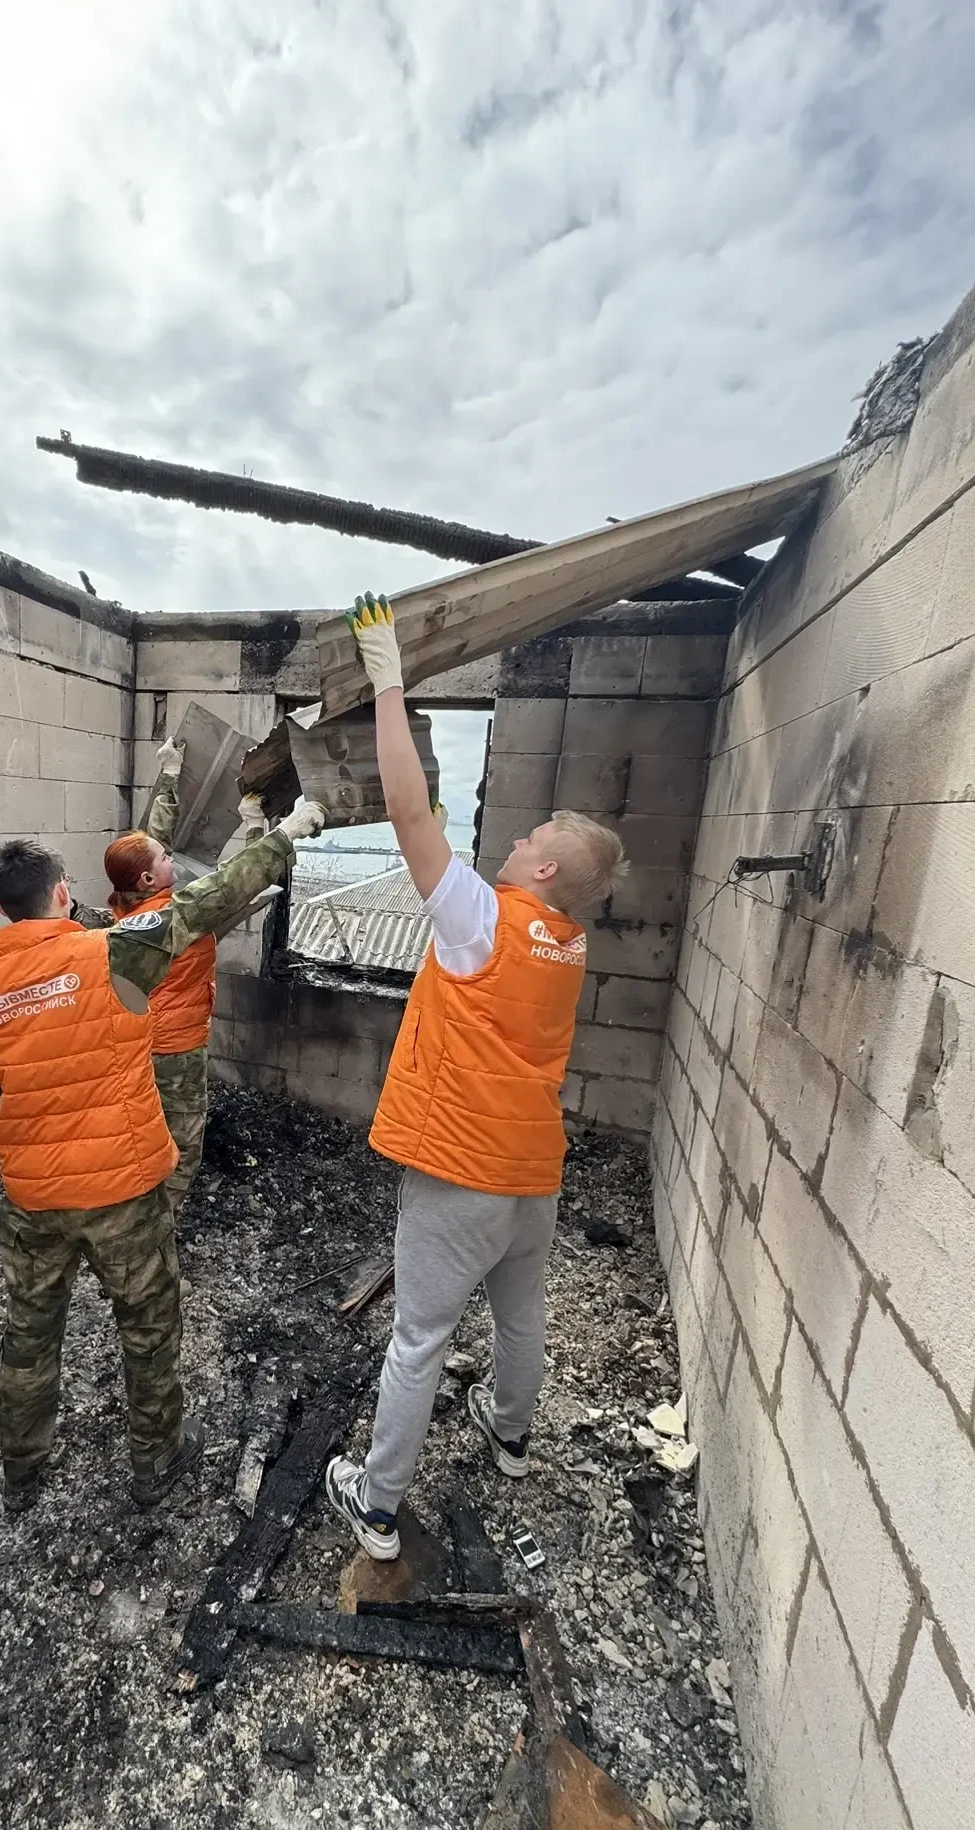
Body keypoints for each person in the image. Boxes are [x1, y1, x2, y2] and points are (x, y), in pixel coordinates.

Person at [323, 592, 629, 1562]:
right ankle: (509, 1434)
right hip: (532, 1169)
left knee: (418, 1338)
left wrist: (388, 681)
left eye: (532, 839)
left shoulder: (485, 919)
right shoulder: (565, 942)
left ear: (546, 872)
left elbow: (407, 809)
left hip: (461, 1170)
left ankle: (376, 1505)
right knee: (521, 1312)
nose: (520, 840)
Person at [0, 795, 325, 1515]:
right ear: (62, 895)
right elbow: (208, 900)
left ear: (3, 910)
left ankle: (22, 1475)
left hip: (33, 1201)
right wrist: (280, 837)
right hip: (120, 1192)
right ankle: (156, 1462)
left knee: (29, 1333)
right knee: (149, 1327)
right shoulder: (113, 953)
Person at [100, 738, 265, 1219]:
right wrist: (258, 827)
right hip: (175, 1049)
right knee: (183, 1140)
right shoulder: (180, 917)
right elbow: (240, 881)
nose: (172, 858)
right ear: (150, 880)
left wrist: (170, 776)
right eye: (165, 860)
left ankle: (128, 1203)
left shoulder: (127, 905)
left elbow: (150, 846)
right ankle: (155, 1228)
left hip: (135, 1042)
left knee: (141, 1131)